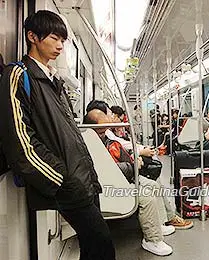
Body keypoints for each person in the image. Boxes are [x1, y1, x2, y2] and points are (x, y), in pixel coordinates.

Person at [0, 10, 115, 260]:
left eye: (63, 40)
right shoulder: (19, 75)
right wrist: (61, 178)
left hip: (83, 178)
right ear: (32, 36)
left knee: (92, 245)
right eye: (54, 38)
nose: (60, 46)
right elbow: (21, 142)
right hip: (68, 182)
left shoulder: (55, 81)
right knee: (103, 245)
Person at [86, 109, 174, 256]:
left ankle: (158, 224)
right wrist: (132, 165)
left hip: (120, 178)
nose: (104, 134)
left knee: (154, 186)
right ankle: (152, 240)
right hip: (108, 187)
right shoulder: (89, 145)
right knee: (146, 197)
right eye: (101, 132)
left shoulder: (105, 139)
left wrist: (133, 163)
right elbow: (107, 169)